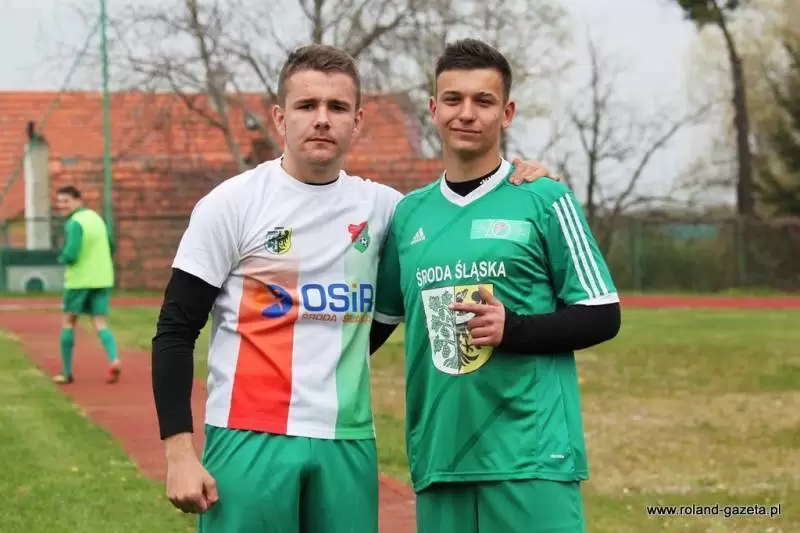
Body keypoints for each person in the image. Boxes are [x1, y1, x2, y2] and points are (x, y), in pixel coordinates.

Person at [151, 43, 554, 533]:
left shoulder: (388, 210)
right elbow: (175, 330)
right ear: (280, 118)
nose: (322, 119)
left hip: (348, 440)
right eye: (307, 105)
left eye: (337, 107)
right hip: (248, 433)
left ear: (357, 120)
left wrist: (524, 181)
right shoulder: (231, 204)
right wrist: (179, 453)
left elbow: (457, 208)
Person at [371, 39, 622, 533]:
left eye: (483, 101)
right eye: (453, 99)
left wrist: (515, 328)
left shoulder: (544, 198)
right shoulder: (408, 215)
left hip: (532, 457)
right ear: (433, 109)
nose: (467, 113)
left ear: (506, 113)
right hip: (441, 459)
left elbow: (602, 313)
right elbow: (372, 329)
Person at [52, 185, 120, 385]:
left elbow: (71, 253)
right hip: (103, 278)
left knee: (68, 321)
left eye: (66, 201)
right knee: (100, 322)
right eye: (60, 202)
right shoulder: (96, 218)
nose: (62, 205)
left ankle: (66, 372)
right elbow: (111, 245)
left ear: (78, 201)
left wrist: (62, 258)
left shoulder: (74, 223)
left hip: (80, 281)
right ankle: (114, 360)